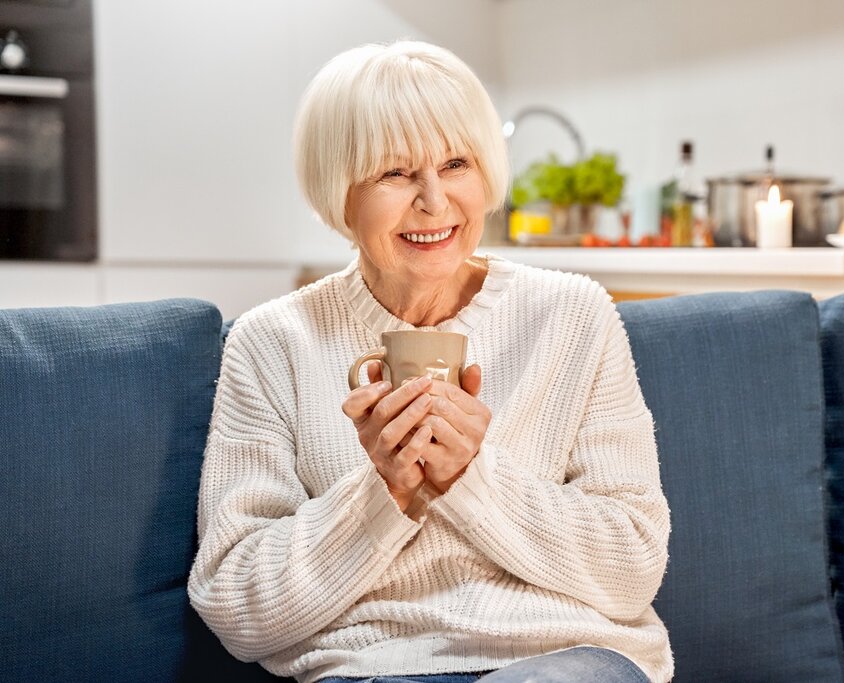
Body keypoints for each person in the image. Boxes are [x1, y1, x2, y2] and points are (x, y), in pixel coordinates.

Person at [187, 40, 672, 683]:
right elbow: (238, 604)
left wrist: (472, 478)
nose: (435, 202)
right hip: (370, 668)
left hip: (561, 660)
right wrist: (384, 491)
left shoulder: (573, 316)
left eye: (456, 164)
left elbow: (632, 566)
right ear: (340, 194)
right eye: (395, 173)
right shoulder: (273, 342)